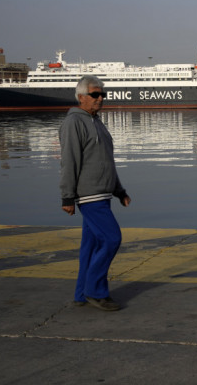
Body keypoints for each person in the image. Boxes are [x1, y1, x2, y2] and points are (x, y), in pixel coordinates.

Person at [59, 75, 131, 311]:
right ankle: (95, 291)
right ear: (81, 97)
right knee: (112, 238)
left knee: (90, 247)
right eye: (95, 94)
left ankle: (81, 294)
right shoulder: (74, 123)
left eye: (102, 94)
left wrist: (120, 191)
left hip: (103, 194)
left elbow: (106, 161)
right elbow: (69, 161)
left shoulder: (96, 121)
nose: (100, 98)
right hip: (89, 195)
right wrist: (67, 196)